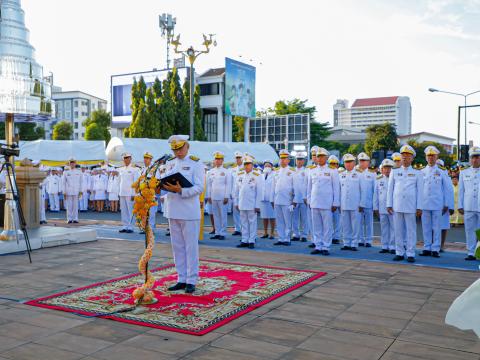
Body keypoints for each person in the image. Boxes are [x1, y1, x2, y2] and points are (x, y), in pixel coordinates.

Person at [163, 135, 205, 294]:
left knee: (190, 247)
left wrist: (181, 190)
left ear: (187, 146)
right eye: (175, 149)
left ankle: (191, 280)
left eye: (180, 148)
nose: (178, 152)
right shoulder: (170, 163)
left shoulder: (196, 163)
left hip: (188, 211)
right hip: (173, 209)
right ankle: (181, 278)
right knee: (177, 247)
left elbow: (199, 187)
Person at [387, 145, 423, 263]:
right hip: (397, 205)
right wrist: (389, 204)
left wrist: (419, 207)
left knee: (411, 230)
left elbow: (420, 191)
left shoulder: (417, 173)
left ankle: (411, 253)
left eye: (408, 156)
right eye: (403, 156)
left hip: (411, 205)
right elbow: (390, 189)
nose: (405, 158)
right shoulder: (395, 171)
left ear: (412, 158)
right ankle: (399, 252)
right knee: (398, 230)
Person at [419, 147, 451, 258]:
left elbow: (447, 188)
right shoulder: (421, 171)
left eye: (433, 156)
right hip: (424, 203)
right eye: (429, 156)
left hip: (438, 203)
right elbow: (418, 189)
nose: (431, 158)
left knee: (437, 227)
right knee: (426, 226)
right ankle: (427, 247)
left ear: (436, 157)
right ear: (426, 157)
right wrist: (418, 205)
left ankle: (436, 248)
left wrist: (447, 203)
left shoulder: (442, 171)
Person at [307, 147, 340, 255]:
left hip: (327, 203)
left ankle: (326, 246)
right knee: (316, 226)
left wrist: (335, 203)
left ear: (326, 158)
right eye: (318, 156)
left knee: (327, 226)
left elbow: (336, 188)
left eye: (322, 157)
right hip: (315, 202)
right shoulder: (312, 170)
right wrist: (309, 200)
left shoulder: (332, 170)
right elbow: (309, 187)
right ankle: (318, 245)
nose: (320, 159)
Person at [234, 155, 264, 249]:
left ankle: (251, 240)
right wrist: (236, 202)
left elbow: (260, 191)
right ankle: (244, 240)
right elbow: (236, 190)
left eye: (249, 164)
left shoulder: (257, 176)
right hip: (242, 203)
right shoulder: (239, 175)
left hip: (252, 203)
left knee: (252, 222)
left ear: (252, 165)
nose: (247, 166)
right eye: (245, 164)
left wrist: (257, 205)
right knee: (243, 222)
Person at [458, 146, 480, 261]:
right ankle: (470, 252)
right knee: (469, 230)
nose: (475, 160)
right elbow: (461, 190)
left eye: (477, 157)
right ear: (470, 159)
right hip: (469, 205)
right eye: (473, 157)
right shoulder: (464, 172)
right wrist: (460, 205)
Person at [271, 149, 295, 246]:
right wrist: (272, 199)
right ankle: (281, 238)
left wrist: (294, 201)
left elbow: (295, 187)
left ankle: (287, 238)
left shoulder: (292, 171)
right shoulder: (276, 171)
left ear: (288, 160)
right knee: (279, 220)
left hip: (287, 200)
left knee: (287, 220)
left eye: (285, 158)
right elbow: (273, 187)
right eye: (281, 158)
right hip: (277, 199)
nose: (283, 160)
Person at [206, 151, 232, 240]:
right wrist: (208, 196)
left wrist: (226, 196)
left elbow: (228, 185)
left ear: (222, 160)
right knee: (215, 215)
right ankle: (217, 232)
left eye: (219, 159)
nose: (217, 161)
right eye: (216, 159)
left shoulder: (226, 171)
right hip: (213, 196)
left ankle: (223, 233)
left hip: (222, 197)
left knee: (223, 215)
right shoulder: (211, 172)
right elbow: (209, 185)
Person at [339, 154, 362, 251]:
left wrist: (361, 204)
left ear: (354, 163)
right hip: (344, 203)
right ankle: (346, 243)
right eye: (346, 162)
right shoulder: (340, 175)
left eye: (350, 162)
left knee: (355, 224)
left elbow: (363, 190)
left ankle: (354, 243)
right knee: (345, 224)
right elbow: (338, 190)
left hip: (355, 204)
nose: (348, 164)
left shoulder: (359, 174)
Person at [374, 159, 395, 254]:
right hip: (382, 207)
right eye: (385, 168)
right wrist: (375, 208)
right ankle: (384, 246)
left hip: (393, 208)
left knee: (393, 228)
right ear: (382, 169)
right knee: (384, 227)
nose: (387, 170)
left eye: (389, 168)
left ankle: (392, 246)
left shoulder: (395, 178)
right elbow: (376, 194)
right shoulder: (378, 179)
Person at [118, 153, 140, 233]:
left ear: (130, 158)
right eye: (124, 158)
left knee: (131, 210)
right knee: (123, 210)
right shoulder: (121, 169)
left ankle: (130, 227)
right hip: (122, 192)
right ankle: (125, 226)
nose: (126, 159)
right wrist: (119, 192)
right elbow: (119, 182)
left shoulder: (135, 169)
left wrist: (134, 194)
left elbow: (136, 182)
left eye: (127, 158)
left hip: (130, 193)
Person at [357, 152, 375, 247]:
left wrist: (375, 204)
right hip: (357, 203)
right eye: (361, 161)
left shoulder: (372, 174)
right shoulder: (355, 172)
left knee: (369, 222)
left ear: (368, 162)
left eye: (364, 161)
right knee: (358, 222)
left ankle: (368, 240)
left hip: (369, 202)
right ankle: (360, 239)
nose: (362, 163)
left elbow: (374, 190)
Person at [141, 151, 160, 233]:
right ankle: (144, 227)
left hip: (151, 194)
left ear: (151, 159)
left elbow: (158, 181)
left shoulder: (155, 169)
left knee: (151, 213)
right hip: (143, 194)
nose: (145, 160)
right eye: (145, 158)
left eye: (147, 158)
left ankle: (151, 228)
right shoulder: (142, 169)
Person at [292, 152, 309, 242]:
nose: (299, 161)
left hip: (304, 199)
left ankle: (304, 235)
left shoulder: (307, 171)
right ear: (295, 161)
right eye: (298, 159)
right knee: (294, 218)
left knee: (304, 218)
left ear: (304, 161)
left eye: (301, 160)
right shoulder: (292, 171)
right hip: (294, 198)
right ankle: (295, 234)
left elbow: (307, 186)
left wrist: (306, 197)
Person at [62, 158, 83, 224]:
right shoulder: (66, 172)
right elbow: (63, 183)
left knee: (75, 205)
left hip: (76, 191)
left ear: (75, 163)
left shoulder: (79, 172)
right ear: (69, 163)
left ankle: (75, 218)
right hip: (68, 191)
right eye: (71, 162)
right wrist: (64, 191)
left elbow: (81, 182)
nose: (72, 164)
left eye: (73, 162)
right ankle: (69, 218)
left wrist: (81, 191)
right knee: (69, 205)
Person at [260, 160, 276, 239]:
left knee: (272, 217)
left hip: (271, 199)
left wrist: (273, 199)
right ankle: (265, 232)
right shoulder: (261, 175)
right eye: (265, 166)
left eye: (269, 166)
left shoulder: (274, 175)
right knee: (264, 216)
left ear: (272, 167)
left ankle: (272, 233)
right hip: (263, 198)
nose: (267, 167)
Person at [328, 155, 342, 244]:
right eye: (331, 164)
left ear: (337, 165)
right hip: (328, 201)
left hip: (338, 201)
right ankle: (329, 236)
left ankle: (336, 237)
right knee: (328, 220)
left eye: (335, 164)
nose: (333, 165)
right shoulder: (327, 173)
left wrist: (338, 202)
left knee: (337, 220)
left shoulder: (341, 174)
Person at [230, 151, 244, 236]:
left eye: (239, 158)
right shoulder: (233, 169)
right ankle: (237, 228)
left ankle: (243, 229)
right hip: (234, 193)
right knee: (235, 212)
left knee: (242, 211)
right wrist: (230, 193)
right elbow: (231, 182)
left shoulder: (245, 168)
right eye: (236, 158)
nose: (238, 160)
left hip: (242, 193)